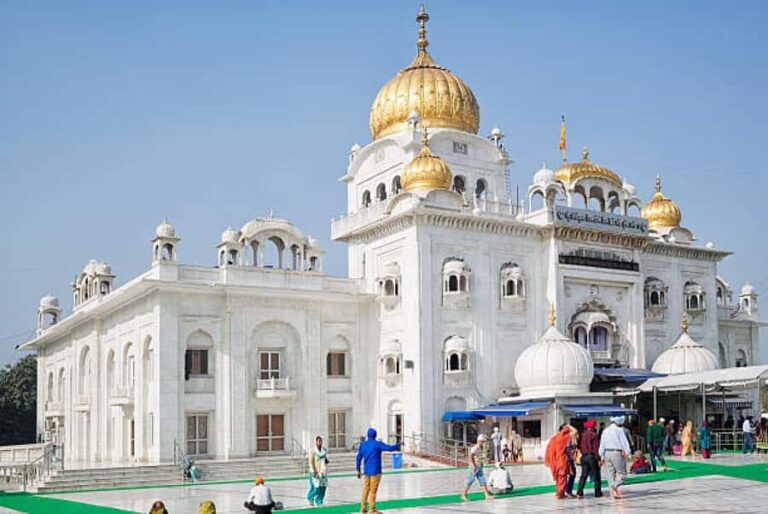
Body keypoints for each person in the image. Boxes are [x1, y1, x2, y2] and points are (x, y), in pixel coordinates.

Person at [356, 427, 401, 513]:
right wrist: (398, 445)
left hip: (366, 471)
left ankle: (363, 508)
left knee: (366, 489)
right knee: (373, 490)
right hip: (375, 471)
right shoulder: (377, 444)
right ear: (375, 435)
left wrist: (358, 470)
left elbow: (358, 458)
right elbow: (389, 448)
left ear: (367, 435)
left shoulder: (363, 445)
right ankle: (372, 509)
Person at [599, 416, 631, 500]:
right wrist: (628, 453)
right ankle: (615, 485)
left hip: (606, 452)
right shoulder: (619, 430)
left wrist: (601, 455)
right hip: (616, 452)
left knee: (610, 474)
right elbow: (624, 442)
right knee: (622, 472)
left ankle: (613, 493)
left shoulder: (605, 430)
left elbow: (602, 443)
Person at [545, 425, 573, 500]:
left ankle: (561, 493)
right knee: (562, 477)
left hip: (555, 460)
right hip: (562, 460)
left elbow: (550, 450)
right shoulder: (563, 437)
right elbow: (575, 431)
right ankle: (560, 493)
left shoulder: (554, 438)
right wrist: (569, 426)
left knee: (559, 477)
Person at [461, 434, 493, 502]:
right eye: (483, 441)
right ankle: (464, 494)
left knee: (482, 480)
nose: (484, 443)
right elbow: (470, 456)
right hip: (474, 466)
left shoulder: (481, 448)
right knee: (470, 480)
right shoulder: (475, 448)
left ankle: (486, 495)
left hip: (479, 466)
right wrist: (473, 466)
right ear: (480, 441)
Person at [576, 420, 602, 499]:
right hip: (592, 457)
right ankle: (597, 493)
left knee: (583, 476)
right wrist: (598, 458)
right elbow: (596, 448)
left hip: (583, 457)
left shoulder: (582, 435)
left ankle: (579, 493)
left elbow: (578, 446)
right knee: (596, 475)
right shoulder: (594, 435)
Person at [307, 436, 329, 507]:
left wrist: (326, 461)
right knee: (315, 488)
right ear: (316, 442)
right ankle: (310, 498)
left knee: (323, 487)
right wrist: (313, 471)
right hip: (315, 472)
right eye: (318, 441)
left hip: (323, 472)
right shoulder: (312, 451)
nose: (320, 442)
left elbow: (325, 459)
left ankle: (319, 500)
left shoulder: (324, 450)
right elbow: (311, 462)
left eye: (321, 441)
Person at [564, 426, 578, 499]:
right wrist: (568, 425)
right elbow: (575, 430)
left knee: (570, 474)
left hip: (569, 459)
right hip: (567, 459)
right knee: (571, 474)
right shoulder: (566, 438)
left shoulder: (570, 438)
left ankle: (567, 490)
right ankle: (568, 491)